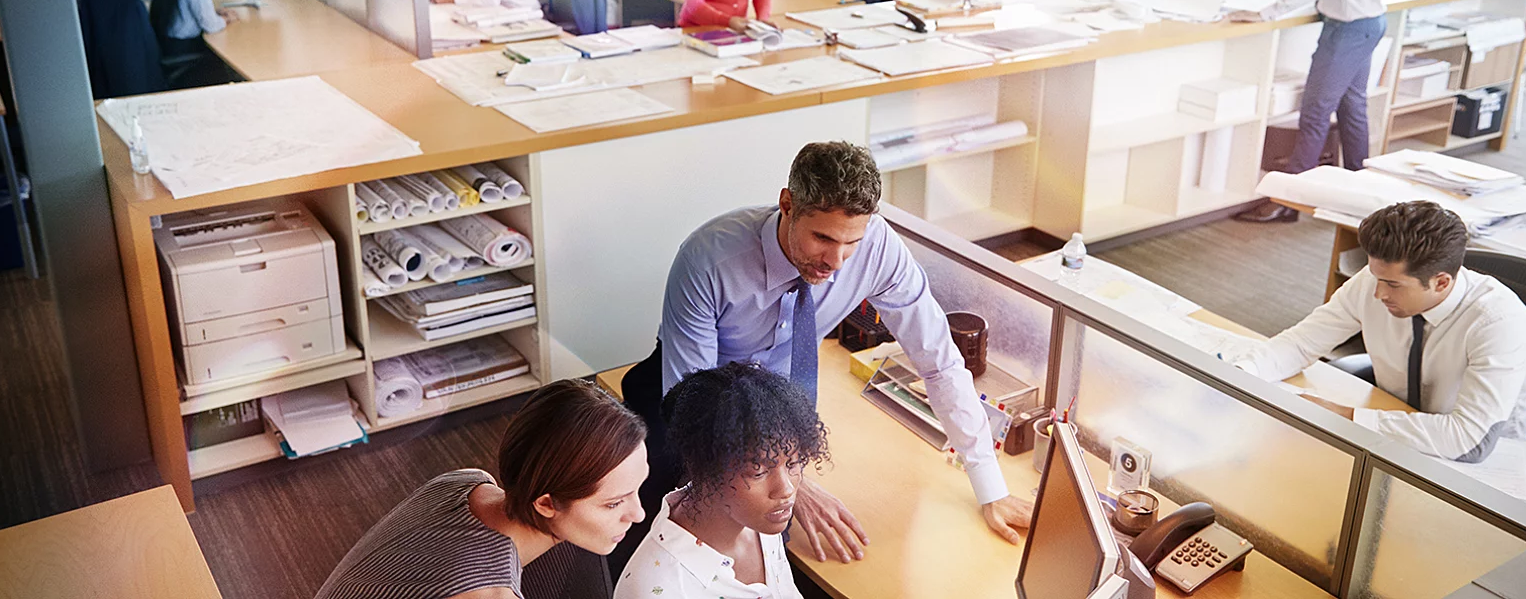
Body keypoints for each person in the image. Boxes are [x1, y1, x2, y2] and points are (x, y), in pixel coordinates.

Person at [613, 141, 1033, 576]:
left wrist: (990, 486)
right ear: (787, 204)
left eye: (852, 242)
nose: (836, 261)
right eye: (822, 238)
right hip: (692, 392)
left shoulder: (878, 249)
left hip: (778, 395)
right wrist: (793, 482)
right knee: (667, 512)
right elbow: (693, 408)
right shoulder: (709, 259)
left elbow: (940, 362)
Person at [1230, 201, 1526, 462]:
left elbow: (1468, 441)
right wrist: (1242, 374)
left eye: (1392, 284)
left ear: (1441, 282)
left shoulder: (1498, 323)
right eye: (1376, 277)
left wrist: (1345, 416)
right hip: (1390, 435)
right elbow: (1301, 343)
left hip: (1479, 467)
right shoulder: (1376, 281)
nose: (1377, 294)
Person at [315, 380, 650, 599]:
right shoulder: (487, 594)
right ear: (546, 503)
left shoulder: (466, 481)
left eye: (638, 489)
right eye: (613, 504)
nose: (638, 514)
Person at [615, 362, 827, 599]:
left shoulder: (758, 521)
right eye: (757, 472)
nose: (786, 490)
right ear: (704, 468)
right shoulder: (661, 590)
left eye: (793, 463)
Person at [1227, 0, 1387, 223]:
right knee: (1352, 108)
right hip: (1367, 23)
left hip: (1348, 30)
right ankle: (1360, 195)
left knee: (1316, 113)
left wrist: (1265, 13)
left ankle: (1287, 201)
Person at [149, 0, 237, 57]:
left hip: (167, 45)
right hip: (185, 48)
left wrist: (213, 12)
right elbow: (211, 26)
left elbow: (183, 8)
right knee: (225, 50)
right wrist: (227, 18)